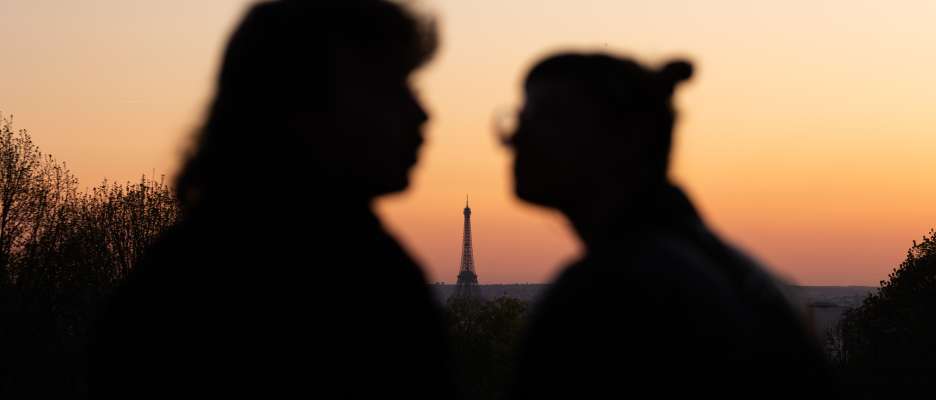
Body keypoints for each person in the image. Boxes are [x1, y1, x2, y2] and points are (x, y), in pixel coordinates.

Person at [90, 1, 455, 398]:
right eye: (389, 88)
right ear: (299, 102)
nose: (421, 113)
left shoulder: (174, 277)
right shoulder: (370, 277)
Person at [503, 53, 839, 399]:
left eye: (544, 121)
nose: (514, 140)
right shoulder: (746, 277)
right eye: (519, 120)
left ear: (623, 139)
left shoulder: (603, 291)